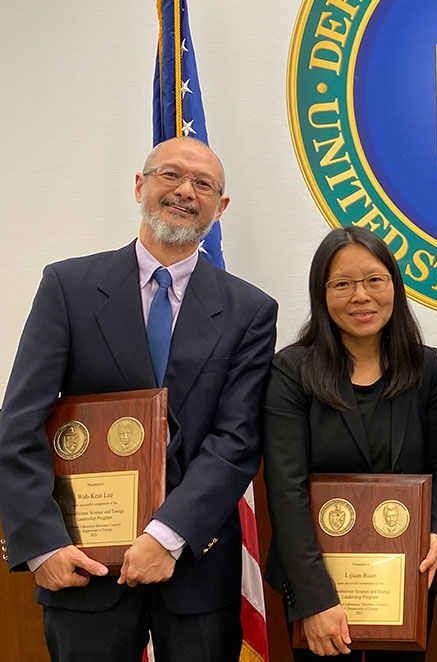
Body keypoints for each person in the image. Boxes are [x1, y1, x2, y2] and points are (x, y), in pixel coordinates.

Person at [0, 136, 278, 661]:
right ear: (139, 186)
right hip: (81, 566)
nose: (184, 191)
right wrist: (40, 544)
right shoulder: (67, 286)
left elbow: (236, 440)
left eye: (203, 184)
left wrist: (167, 534)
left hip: (193, 569)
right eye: (170, 174)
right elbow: (19, 425)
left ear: (220, 209)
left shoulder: (250, 310)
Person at [262, 226, 437, 660]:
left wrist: (434, 533)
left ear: (394, 284)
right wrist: (315, 599)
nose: (361, 296)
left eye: (374, 279)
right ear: (323, 293)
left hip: (407, 578)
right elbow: (286, 490)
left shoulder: (424, 367)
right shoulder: (291, 371)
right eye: (343, 284)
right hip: (318, 583)